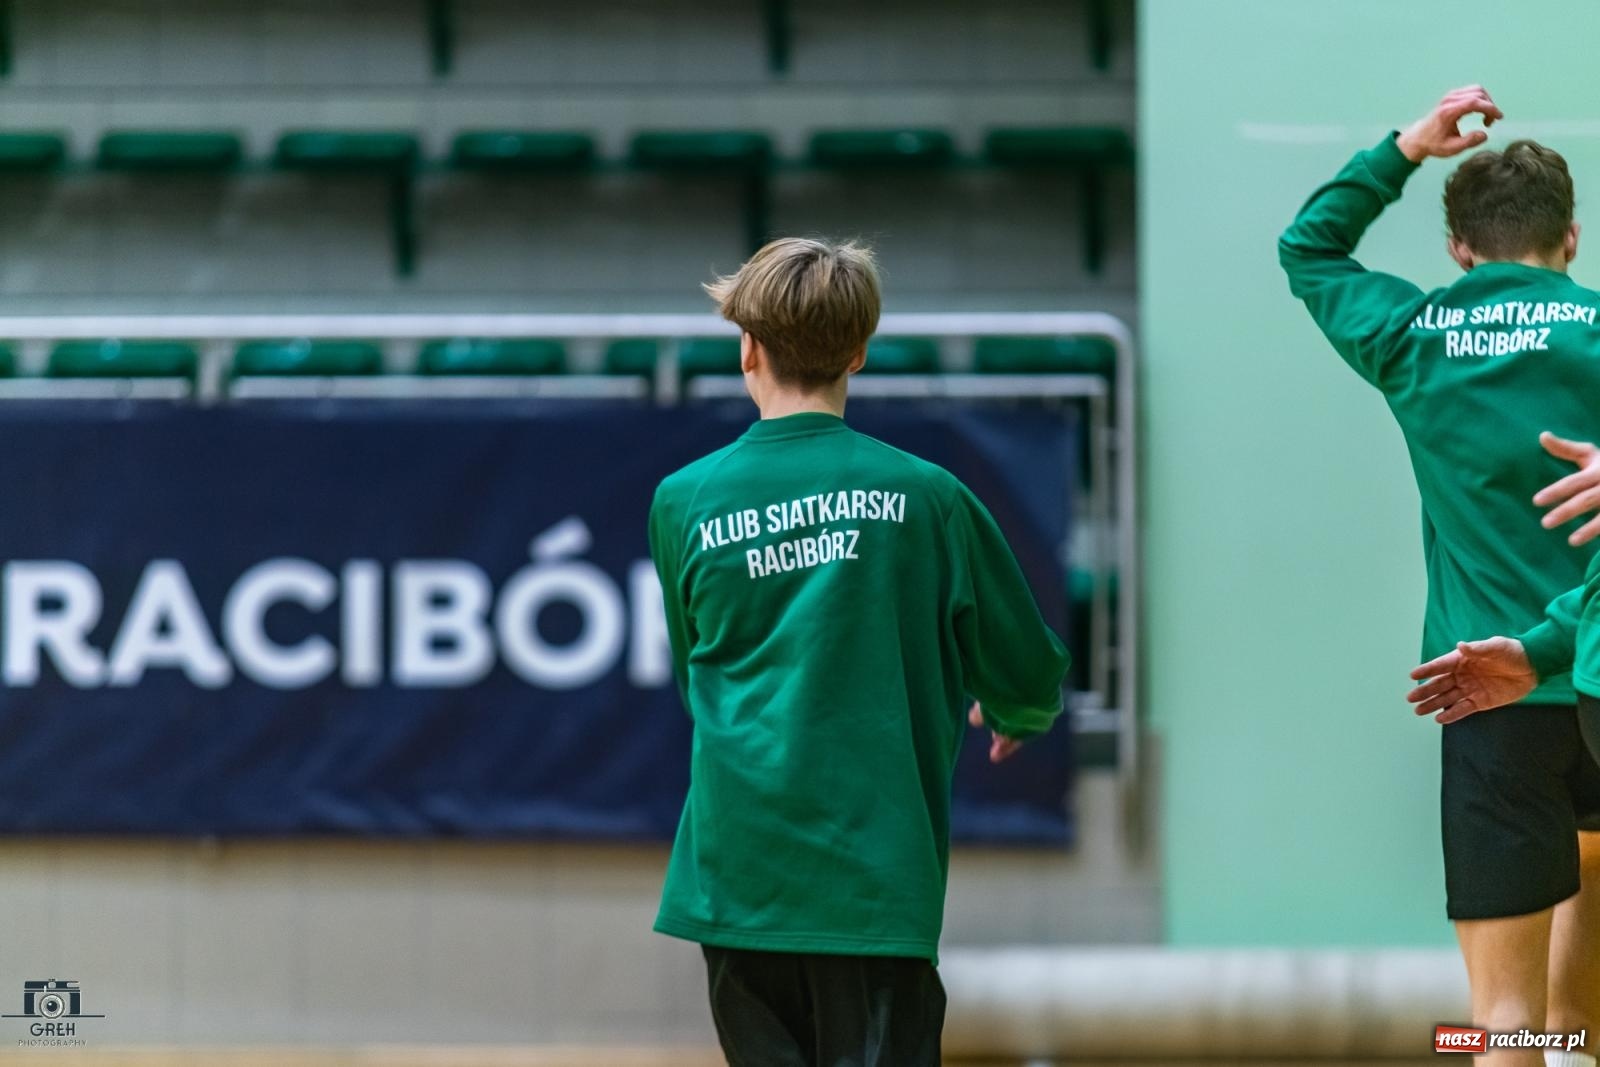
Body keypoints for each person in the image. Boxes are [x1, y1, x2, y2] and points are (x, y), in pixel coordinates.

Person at [646, 236, 1070, 1066]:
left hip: (738, 883)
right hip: (876, 885)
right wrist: (1017, 708)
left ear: (749, 350)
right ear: (859, 352)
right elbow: (1026, 664)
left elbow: (694, 671)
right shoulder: (928, 495)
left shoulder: (682, 500)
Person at [1278, 86, 1600, 1067]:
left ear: (1460, 248)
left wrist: (1402, 149)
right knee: (1580, 1004)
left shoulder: (1414, 335)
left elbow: (1307, 249)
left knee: (1495, 1024)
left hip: (1481, 688)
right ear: (1572, 239)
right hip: (1588, 665)